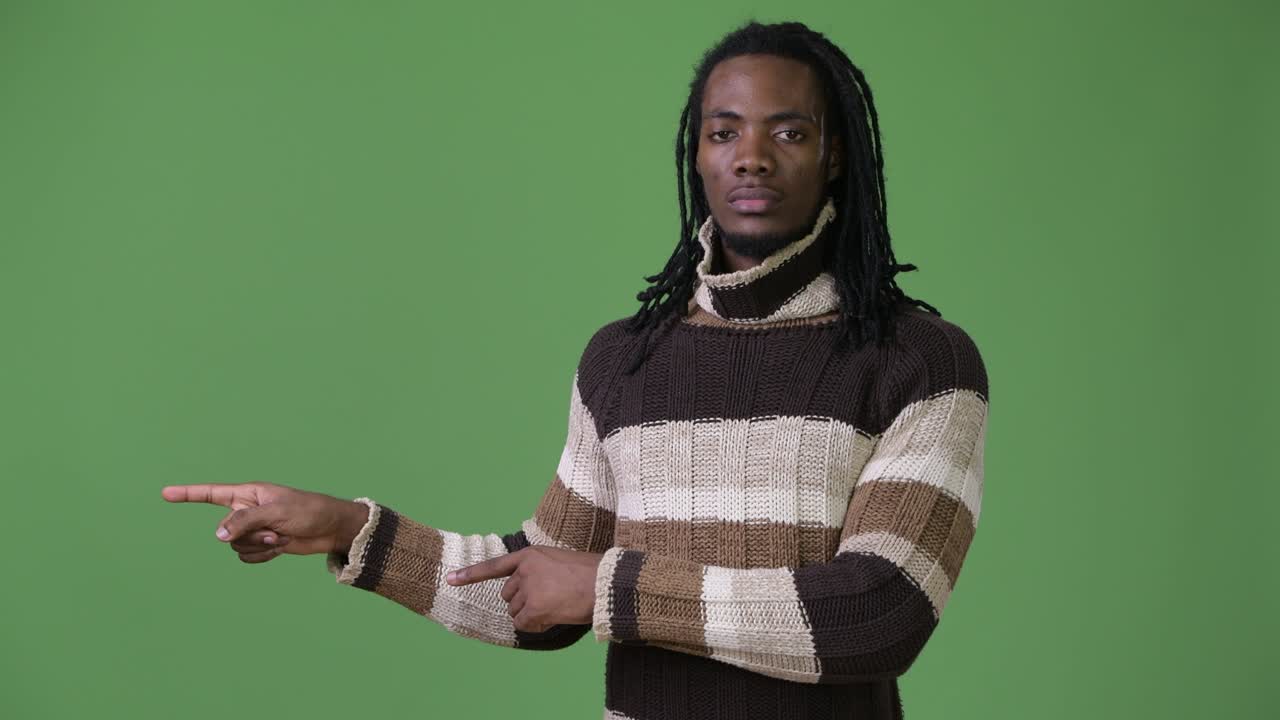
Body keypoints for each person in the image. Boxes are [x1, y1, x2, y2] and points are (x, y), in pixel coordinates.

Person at [163, 19, 989, 720]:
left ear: (835, 155)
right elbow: (539, 593)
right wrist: (352, 530)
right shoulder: (626, 360)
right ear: (696, 153)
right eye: (724, 130)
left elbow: (881, 613)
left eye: (790, 131)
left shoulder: (919, 361)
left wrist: (611, 586)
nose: (752, 158)